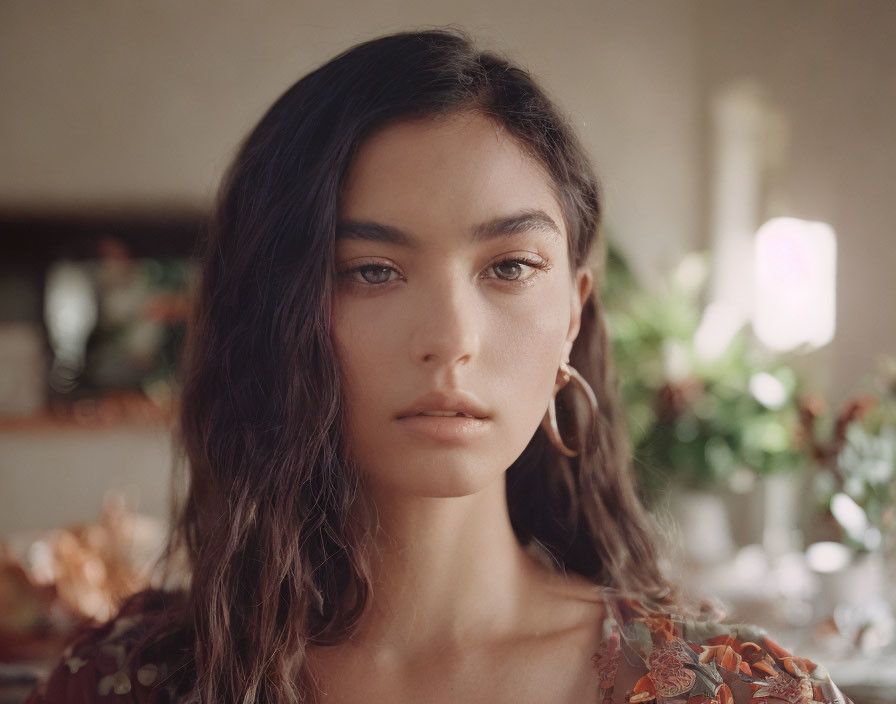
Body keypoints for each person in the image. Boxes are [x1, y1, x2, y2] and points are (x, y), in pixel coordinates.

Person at [26, 28, 853, 704]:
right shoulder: (126, 684)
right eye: (371, 271)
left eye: (510, 266)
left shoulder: (742, 693)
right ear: (272, 314)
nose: (450, 338)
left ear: (573, 310)